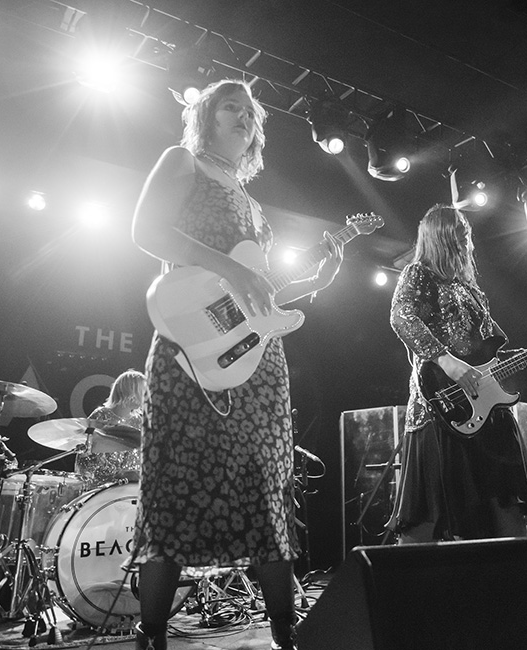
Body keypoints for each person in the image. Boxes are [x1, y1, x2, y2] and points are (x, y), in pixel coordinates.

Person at [130, 79, 344, 650]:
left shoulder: (250, 198)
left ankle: (286, 631)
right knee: (174, 481)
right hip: (188, 346)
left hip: (257, 358)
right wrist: (232, 268)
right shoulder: (183, 162)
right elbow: (146, 231)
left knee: (266, 484)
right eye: (231, 106)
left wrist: (317, 278)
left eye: (251, 112)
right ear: (204, 115)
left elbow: (255, 293)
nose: (244, 117)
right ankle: (151, 635)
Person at [388, 204, 527, 543]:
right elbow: (402, 318)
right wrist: (446, 361)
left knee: (502, 512)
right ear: (441, 236)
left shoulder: (472, 290)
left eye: (466, 233)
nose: (467, 239)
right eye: (460, 232)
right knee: (430, 518)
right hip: (440, 408)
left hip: (486, 408)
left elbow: (488, 357)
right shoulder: (418, 274)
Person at [75, 369, 144, 489]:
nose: (147, 395)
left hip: (129, 489)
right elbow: (84, 455)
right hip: (100, 488)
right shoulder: (101, 416)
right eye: (143, 391)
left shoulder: (140, 421)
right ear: (131, 392)